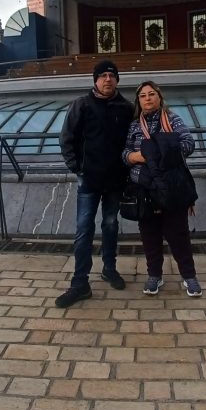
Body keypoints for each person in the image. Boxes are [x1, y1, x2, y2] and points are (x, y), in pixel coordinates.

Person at [56, 59, 133, 308]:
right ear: (96, 80)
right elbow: (67, 138)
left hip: (115, 181)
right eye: (103, 76)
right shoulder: (82, 104)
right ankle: (80, 283)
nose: (107, 79)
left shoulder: (126, 108)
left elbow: (133, 140)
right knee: (83, 229)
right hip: (89, 180)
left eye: (112, 75)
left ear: (117, 80)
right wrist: (77, 168)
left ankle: (109, 268)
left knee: (110, 225)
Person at [123, 80, 202, 297]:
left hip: (170, 187)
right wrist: (135, 156)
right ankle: (154, 276)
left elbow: (188, 144)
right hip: (143, 188)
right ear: (138, 101)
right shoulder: (134, 126)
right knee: (149, 235)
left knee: (178, 234)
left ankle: (189, 276)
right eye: (143, 96)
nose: (147, 98)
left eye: (151, 94)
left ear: (159, 97)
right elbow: (124, 153)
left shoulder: (173, 120)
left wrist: (161, 153)